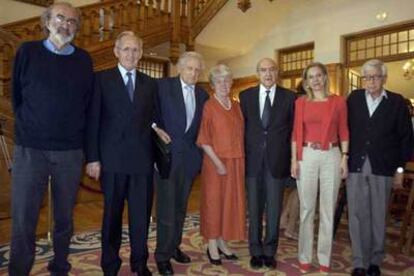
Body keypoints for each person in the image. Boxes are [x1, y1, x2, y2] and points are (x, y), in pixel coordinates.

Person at [8, 2, 94, 275]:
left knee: (64, 218)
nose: (64, 24)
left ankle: (60, 265)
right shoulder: (27, 52)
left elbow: (88, 105)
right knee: (23, 218)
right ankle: (19, 270)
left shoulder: (83, 60)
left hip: (69, 151)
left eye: (71, 21)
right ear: (47, 21)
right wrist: (30, 126)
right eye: (59, 18)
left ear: (76, 28)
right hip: (30, 149)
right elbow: (16, 96)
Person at [85, 31, 157, 276]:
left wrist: (159, 157)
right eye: (126, 49)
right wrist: (93, 158)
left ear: (141, 53)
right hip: (111, 162)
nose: (131, 54)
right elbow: (93, 121)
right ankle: (110, 265)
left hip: (142, 163)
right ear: (116, 51)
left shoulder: (150, 83)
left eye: (135, 50)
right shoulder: (101, 80)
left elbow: (155, 123)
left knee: (140, 219)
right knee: (111, 219)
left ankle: (140, 264)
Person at [347, 59, 414, 276]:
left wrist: (400, 171)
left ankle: (375, 260)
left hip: (384, 167)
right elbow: (343, 128)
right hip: (356, 164)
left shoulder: (396, 102)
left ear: (384, 78)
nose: (371, 81)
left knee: (378, 214)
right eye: (366, 77)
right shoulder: (354, 99)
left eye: (375, 76)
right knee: (357, 214)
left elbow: (406, 139)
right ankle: (359, 261)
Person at [154, 51, 209, 275]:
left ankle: (174, 246)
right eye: (190, 68)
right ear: (179, 68)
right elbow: (147, 113)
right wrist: (154, 128)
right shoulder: (162, 87)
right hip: (166, 158)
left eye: (197, 70)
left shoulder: (203, 94)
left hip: (189, 161)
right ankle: (162, 256)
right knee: (166, 209)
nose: (194, 73)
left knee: (180, 208)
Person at [291, 62, 349, 274]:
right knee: (306, 209)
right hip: (306, 156)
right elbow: (296, 134)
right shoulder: (301, 103)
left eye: (318, 75)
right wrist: (294, 160)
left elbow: (344, 130)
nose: (315, 80)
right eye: (310, 77)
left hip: (332, 156)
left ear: (325, 77)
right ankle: (304, 257)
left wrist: (344, 158)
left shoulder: (339, 102)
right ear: (306, 81)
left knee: (327, 210)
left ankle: (324, 258)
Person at [239, 58, 295, 270]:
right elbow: (241, 129)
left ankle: (270, 251)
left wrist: (292, 160)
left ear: (277, 72)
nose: (268, 74)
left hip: (277, 162)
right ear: (257, 73)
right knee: (253, 210)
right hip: (252, 162)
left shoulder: (289, 97)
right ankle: (255, 250)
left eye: (272, 70)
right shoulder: (246, 96)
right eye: (263, 70)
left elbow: (292, 132)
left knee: (273, 210)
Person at [196, 64, 246, 265]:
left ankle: (224, 242)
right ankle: (212, 245)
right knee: (214, 204)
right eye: (219, 81)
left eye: (227, 80)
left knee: (230, 205)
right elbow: (204, 139)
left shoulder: (236, 105)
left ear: (231, 82)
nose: (224, 84)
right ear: (212, 85)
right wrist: (218, 163)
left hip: (236, 162)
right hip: (216, 163)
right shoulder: (209, 106)